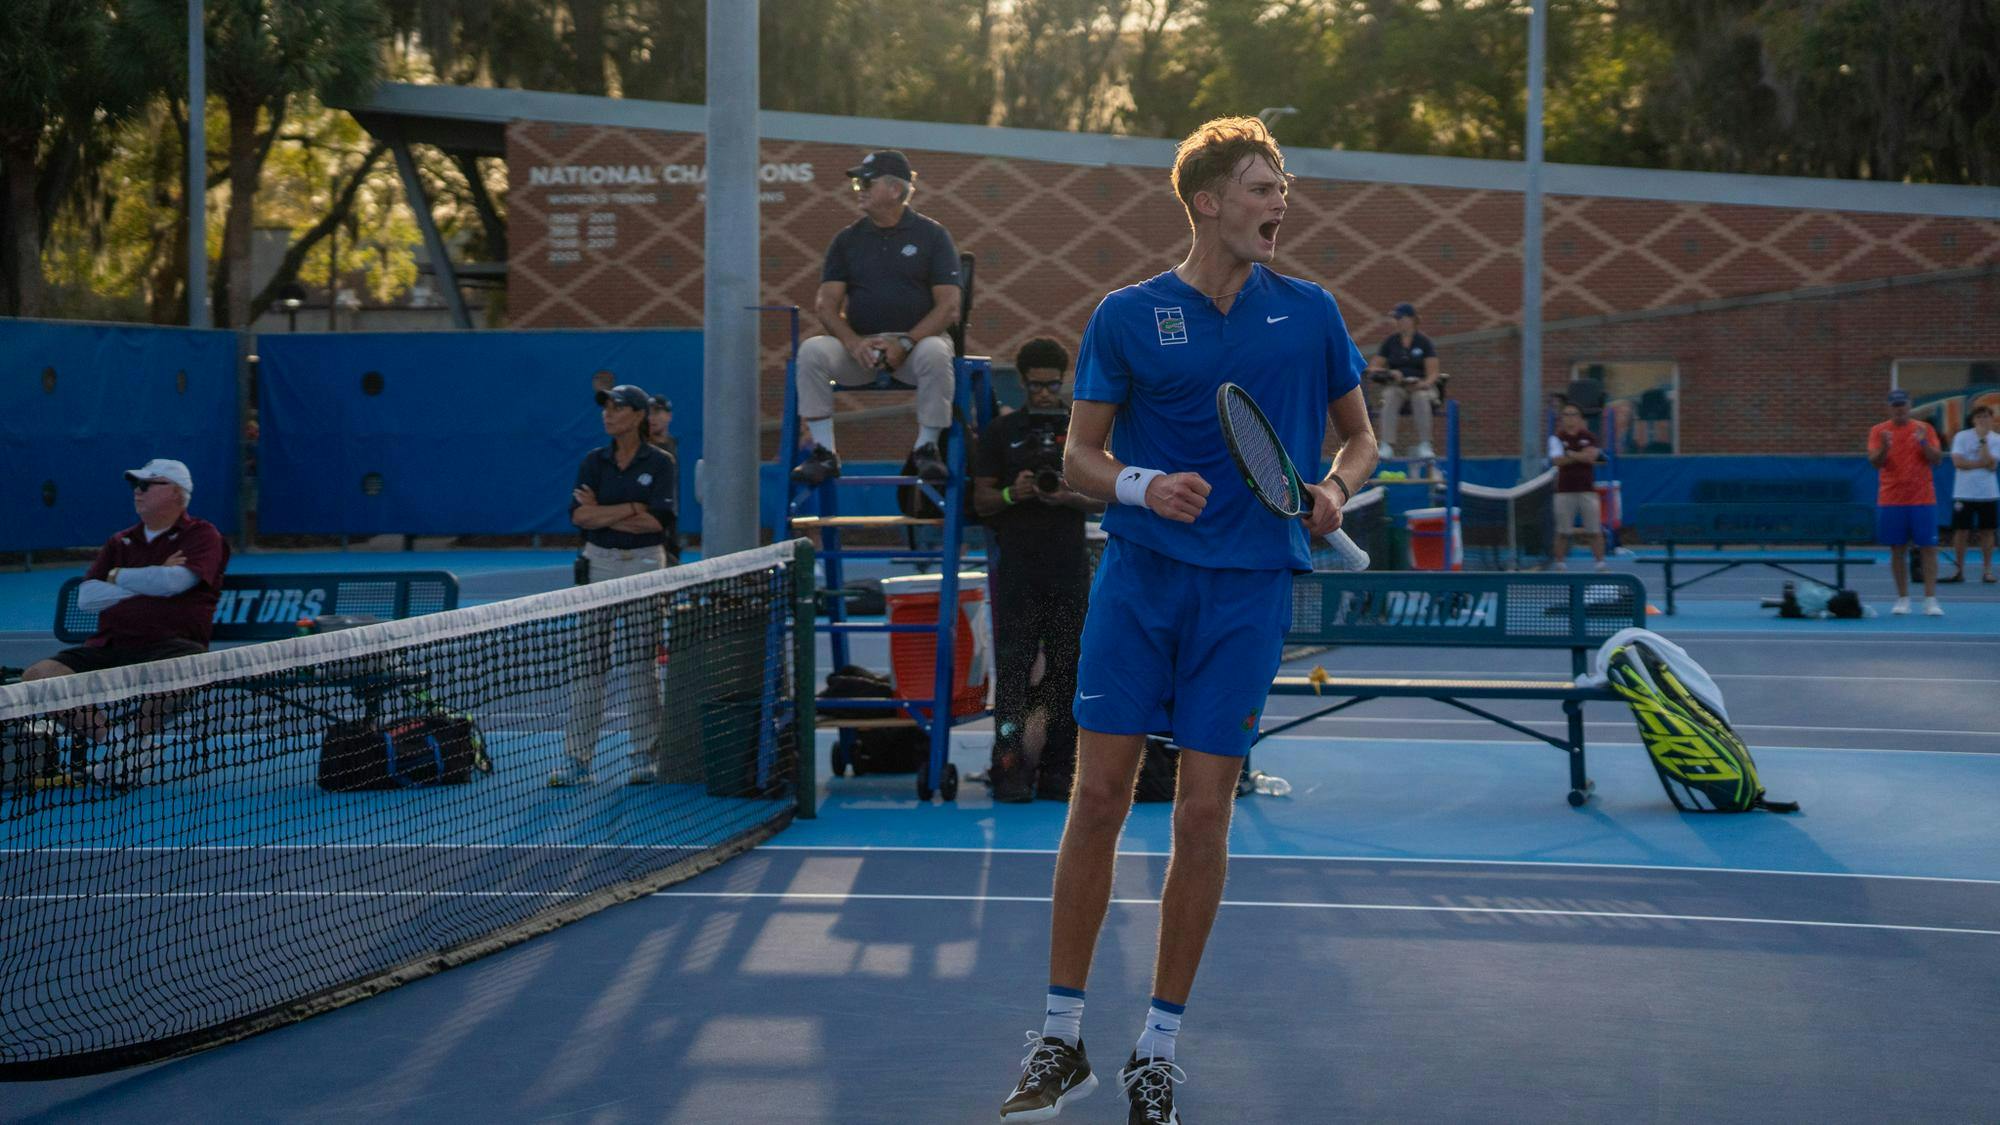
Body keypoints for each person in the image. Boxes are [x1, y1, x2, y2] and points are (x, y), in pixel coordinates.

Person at [998, 116, 1374, 1123]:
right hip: (1141, 580)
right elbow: (1080, 455)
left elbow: (1360, 438)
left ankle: (1156, 1046)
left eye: (1281, 188)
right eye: (1260, 187)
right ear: (1207, 200)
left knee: (1204, 812)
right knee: (1098, 796)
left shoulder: (1310, 313)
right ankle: (1058, 1034)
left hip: (1248, 587)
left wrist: (1334, 487)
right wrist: (1139, 482)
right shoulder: (1126, 315)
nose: (1278, 204)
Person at [19, 458, 230, 785]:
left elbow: (177, 583)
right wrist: (153, 578)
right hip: (110, 646)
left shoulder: (202, 535)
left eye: (147, 485)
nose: (138, 491)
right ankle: (120, 743)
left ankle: (138, 741)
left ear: (176, 492)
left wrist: (116, 578)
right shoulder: (121, 541)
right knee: (39, 676)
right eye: (136, 485)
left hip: (173, 648)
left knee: (183, 671)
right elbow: (87, 597)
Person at [972, 337, 1103, 804]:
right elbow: (981, 500)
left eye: (1052, 385)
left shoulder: (1082, 432)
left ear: (1063, 380)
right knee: (1013, 672)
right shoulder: (1000, 432)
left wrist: (1068, 495)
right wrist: (1015, 493)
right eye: (1035, 385)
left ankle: (1057, 768)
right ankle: (1009, 766)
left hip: (1068, 571)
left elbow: (1105, 496)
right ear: (1023, 382)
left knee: (1068, 670)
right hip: (1019, 573)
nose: (1044, 393)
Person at [791, 149, 963, 489]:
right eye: (858, 183)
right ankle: (824, 452)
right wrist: (853, 343)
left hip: (915, 348)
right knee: (812, 352)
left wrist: (906, 341)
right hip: (862, 349)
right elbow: (826, 305)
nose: (859, 189)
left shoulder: (932, 236)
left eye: (866, 182)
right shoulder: (847, 240)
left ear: (895, 190)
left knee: (936, 352)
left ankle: (925, 449)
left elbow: (949, 307)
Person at [554, 384, 679, 787]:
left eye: (618, 407)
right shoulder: (594, 461)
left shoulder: (660, 462)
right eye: (605, 407)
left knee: (641, 665)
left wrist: (602, 513)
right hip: (599, 564)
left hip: (644, 563)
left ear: (639, 415)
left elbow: (657, 523)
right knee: (588, 664)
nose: (608, 414)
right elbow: (580, 517)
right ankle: (578, 759)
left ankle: (644, 756)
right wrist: (629, 508)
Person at [1866, 388, 1944, 616]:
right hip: (1892, 499)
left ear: (1910, 406)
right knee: (1897, 548)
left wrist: (1923, 443)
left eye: (1903, 405)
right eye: (1895, 405)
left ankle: (1930, 599)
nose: (1899, 409)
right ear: (1889, 407)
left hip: (1922, 498)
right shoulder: (1878, 431)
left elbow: (1937, 459)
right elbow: (1874, 462)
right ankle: (1903, 598)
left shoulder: (1925, 429)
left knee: (1928, 548)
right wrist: (1885, 447)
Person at [1366, 301, 1440, 460]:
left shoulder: (1424, 342)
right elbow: (1373, 368)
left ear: (1411, 319)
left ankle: (1425, 444)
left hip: (1420, 387)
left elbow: (1433, 373)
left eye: (1400, 318)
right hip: (1397, 386)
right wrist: (1390, 372)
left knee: (1420, 397)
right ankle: (1386, 445)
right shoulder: (1390, 342)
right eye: (1396, 319)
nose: (1397, 322)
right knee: (1390, 396)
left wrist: (1423, 384)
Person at [1941, 403, 1999, 584]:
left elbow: (1992, 464)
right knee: (1961, 531)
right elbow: (1958, 462)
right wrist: (1981, 464)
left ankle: (1987, 570)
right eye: (1979, 417)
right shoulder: (1961, 437)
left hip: (1987, 493)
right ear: (1973, 420)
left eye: (1986, 417)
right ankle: (1959, 570)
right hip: (1964, 492)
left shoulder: (1996, 439)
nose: (1982, 420)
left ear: (1992, 419)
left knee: (1987, 531)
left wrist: (1982, 441)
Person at [1550, 404, 1609, 571]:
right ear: (1562, 419)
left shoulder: (1588, 436)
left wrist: (1571, 454)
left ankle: (1600, 564)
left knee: (1594, 530)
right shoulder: (1556, 438)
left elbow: (1592, 458)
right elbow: (1558, 461)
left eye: (1573, 414)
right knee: (1562, 531)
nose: (1569, 418)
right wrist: (1581, 456)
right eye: (1566, 415)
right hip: (1564, 491)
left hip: (1587, 490)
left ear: (1579, 418)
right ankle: (1560, 564)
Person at [646, 394, 678, 461]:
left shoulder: (672, 444)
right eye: (648, 413)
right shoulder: (640, 447)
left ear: (669, 416)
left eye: (656, 413)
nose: (651, 418)